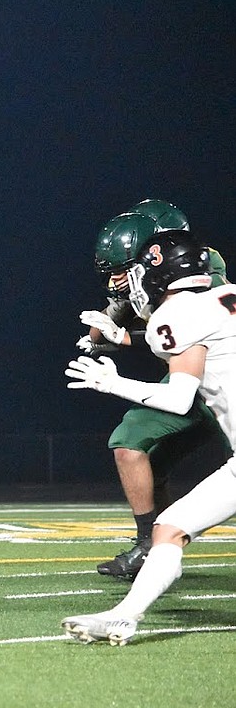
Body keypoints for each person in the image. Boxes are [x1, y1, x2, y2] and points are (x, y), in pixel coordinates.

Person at [63, 228, 236, 644]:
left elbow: (179, 400)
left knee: (170, 528)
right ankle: (123, 616)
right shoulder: (222, 297)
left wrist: (112, 382)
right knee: (170, 526)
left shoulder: (175, 316)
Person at [78, 200, 229, 580]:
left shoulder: (201, 268)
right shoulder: (145, 280)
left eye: (122, 270)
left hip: (216, 380)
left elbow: (188, 333)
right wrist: (114, 318)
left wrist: (123, 338)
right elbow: (97, 336)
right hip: (185, 379)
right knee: (131, 446)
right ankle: (150, 544)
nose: (116, 280)